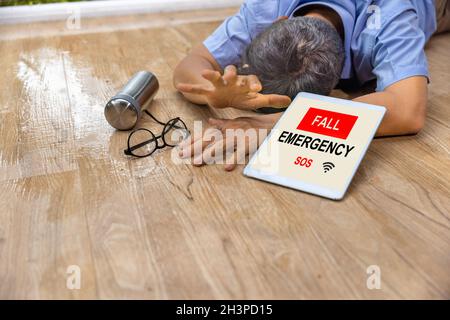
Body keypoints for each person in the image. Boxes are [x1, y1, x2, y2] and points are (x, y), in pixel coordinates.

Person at [173, 0, 450, 170]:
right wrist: (214, 93)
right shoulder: (266, 7)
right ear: (278, 21)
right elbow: (192, 63)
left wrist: (280, 124)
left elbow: (407, 112)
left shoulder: (390, 17)